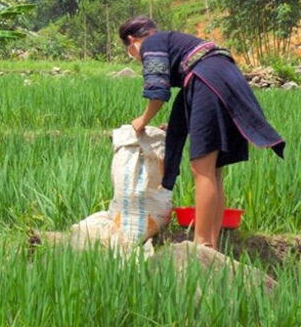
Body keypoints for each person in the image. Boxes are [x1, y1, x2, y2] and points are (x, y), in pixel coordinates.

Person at [118, 16, 286, 250]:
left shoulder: (151, 44)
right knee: (213, 170)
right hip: (222, 78)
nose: (137, 58)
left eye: (131, 53)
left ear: (131, 41)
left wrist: (142, 121)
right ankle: (211, 245)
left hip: (208, 80)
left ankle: (202, 243)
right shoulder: (171, 41)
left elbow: (157, 90)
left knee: (201, 168)